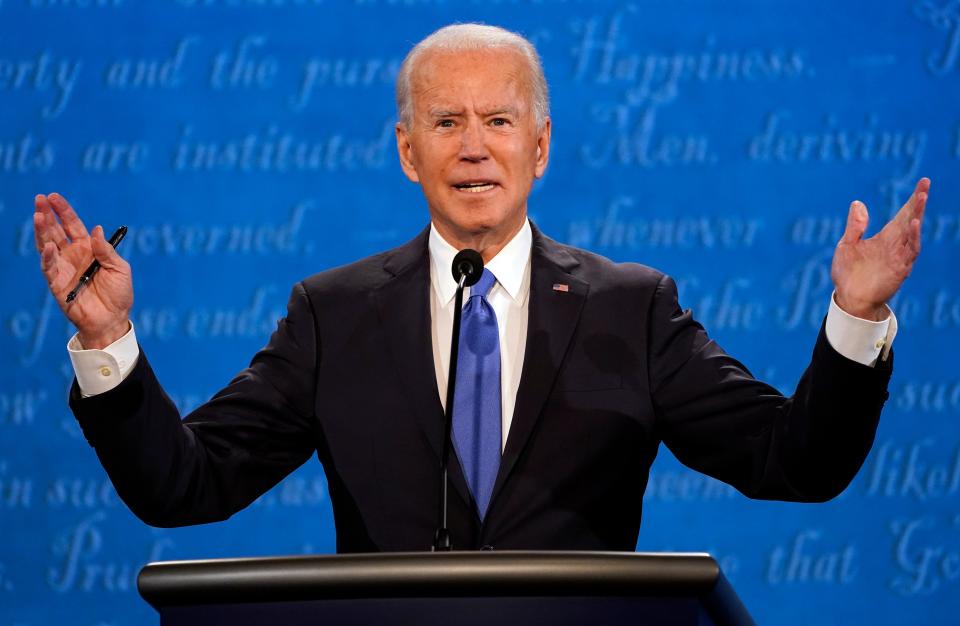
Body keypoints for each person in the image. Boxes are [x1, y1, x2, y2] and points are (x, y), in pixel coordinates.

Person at [33, 24, 929, 552]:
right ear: (406, 150)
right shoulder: (333, 315)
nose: (473, 146)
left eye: (499, 121)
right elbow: (184, 485)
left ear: (538, 148)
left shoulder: (632, 308)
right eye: (446, 122)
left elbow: (794, 462)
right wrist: (110, 342)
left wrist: (855, 315)